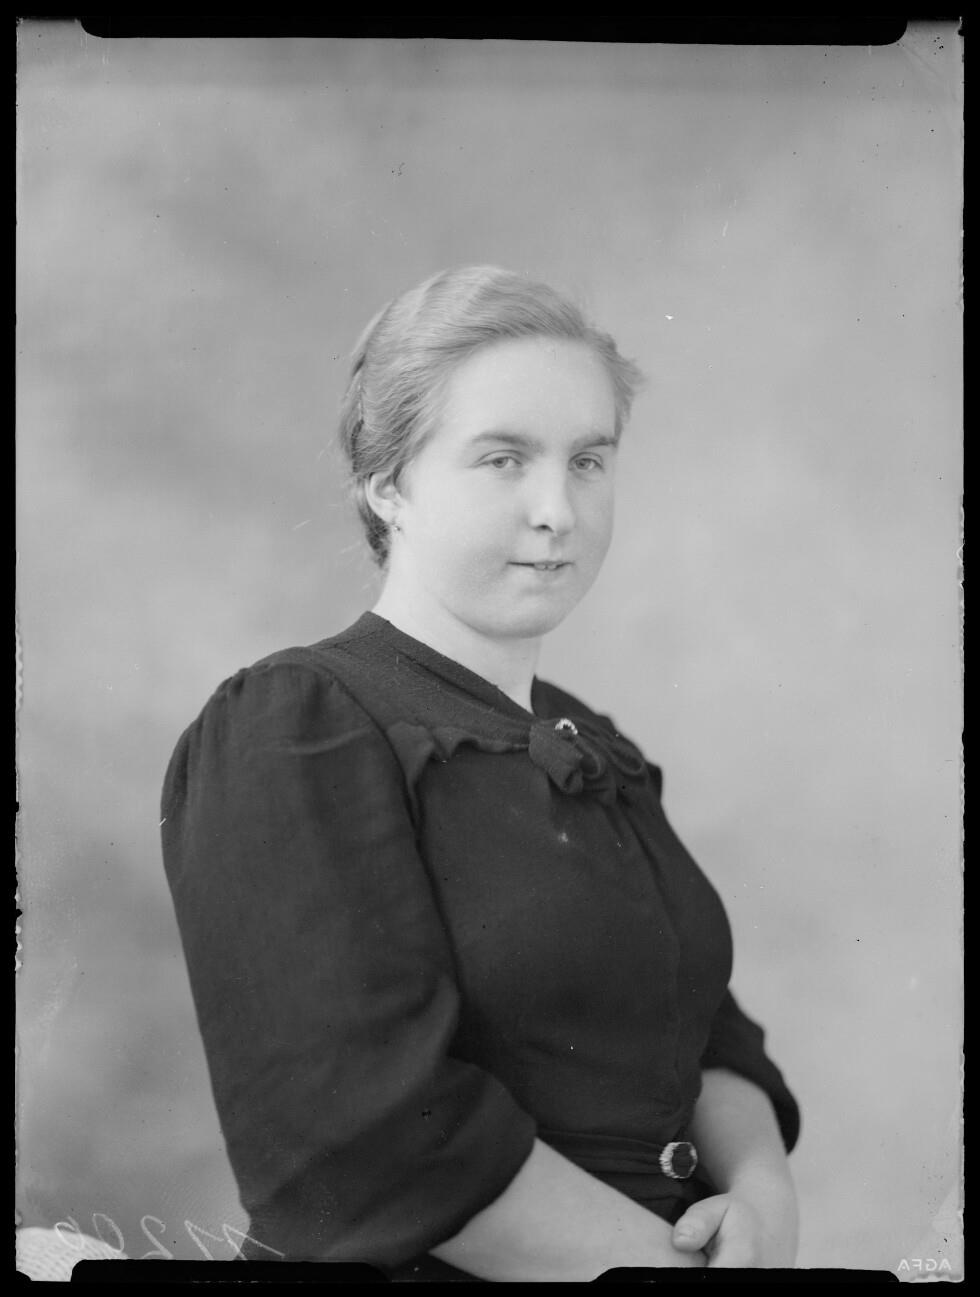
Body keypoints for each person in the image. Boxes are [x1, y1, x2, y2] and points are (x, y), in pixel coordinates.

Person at [160, 266, 801, 1281]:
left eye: (587, 460)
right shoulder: (295, 722)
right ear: (387, 484)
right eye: (503, 459)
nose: (558, 510)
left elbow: (703, 1025)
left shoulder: (588, 738)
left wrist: (762, 1198)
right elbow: (364, 1137)